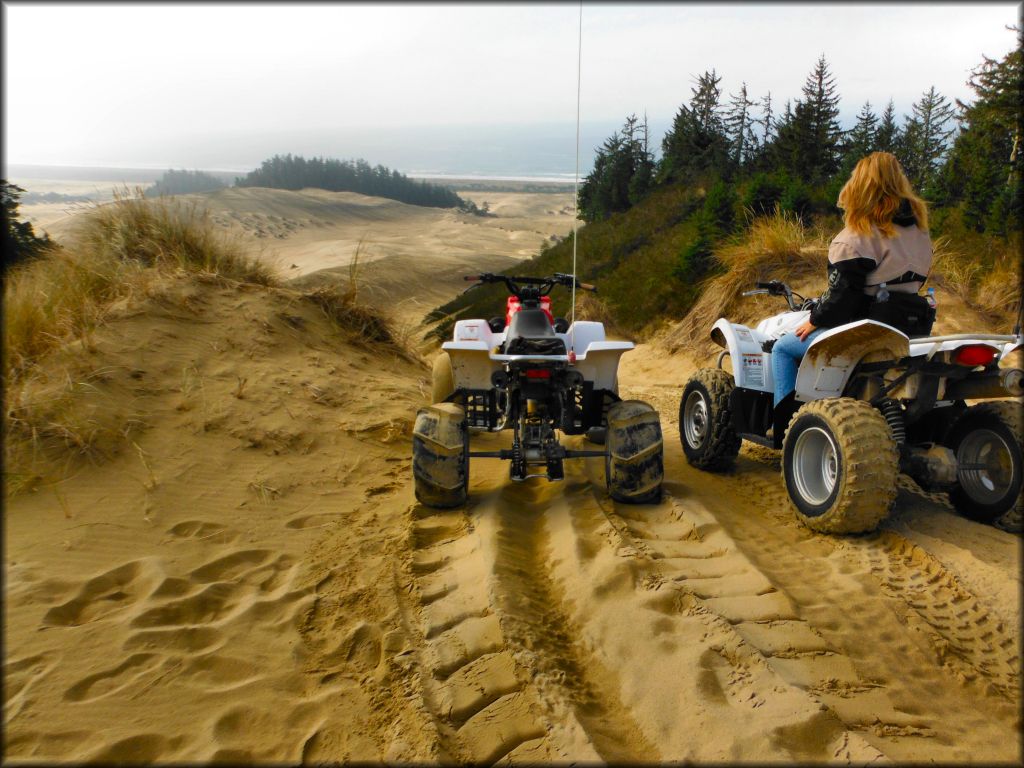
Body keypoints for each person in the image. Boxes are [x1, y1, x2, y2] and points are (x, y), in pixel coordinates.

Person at [771, 151, 935, 407]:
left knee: (783, 348)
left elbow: (844, 296)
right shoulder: (920, 232)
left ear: (861, 186)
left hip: (863, 330)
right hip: (907, 327)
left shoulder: (859, 235)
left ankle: (785, 427)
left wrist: (815, 319)